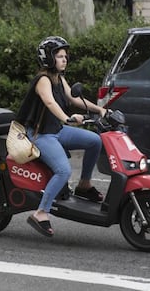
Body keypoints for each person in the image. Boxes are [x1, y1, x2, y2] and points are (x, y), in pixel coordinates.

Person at [16, 36, 107, 237]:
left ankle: (84, 184)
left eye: (65, 56)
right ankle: (41, 212)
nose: (64, 59)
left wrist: (100, 110)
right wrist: (67, 119)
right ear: (48, 58)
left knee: (94, 141)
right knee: (63, 170)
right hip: (41, 135)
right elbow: (50, 103)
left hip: (56, 131)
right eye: (59, 56)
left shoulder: (59, 78)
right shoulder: (43, 80)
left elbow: (73, 98)